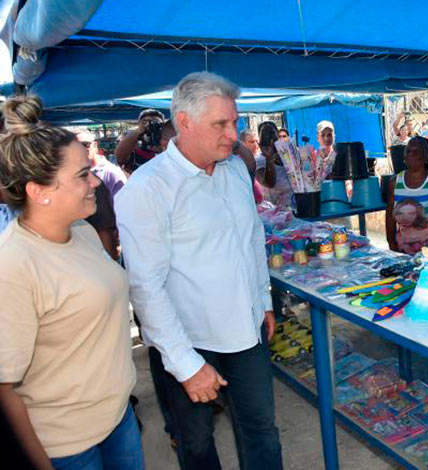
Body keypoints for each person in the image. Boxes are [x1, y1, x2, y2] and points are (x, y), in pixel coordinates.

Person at [115, 72, 282, 470]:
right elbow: (146, 287)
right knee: (196, 442)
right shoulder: (148, 188)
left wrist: (264, 299)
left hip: (246, 330)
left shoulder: (236, 170)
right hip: (188, 342)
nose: (234, 134)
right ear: (185, 123)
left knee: (261, 429)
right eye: (221, 124)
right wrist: (187, 366)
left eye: (236, 121)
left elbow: (251, 242)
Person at [0, 94, 141, 470]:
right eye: (82, 175)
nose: (96, 180)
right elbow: (5, 387)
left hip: (118, 419)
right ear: (39, 192)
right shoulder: (12, 264)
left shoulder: (81, 231)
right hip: (66, 446)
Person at [77, 130, 128, 206]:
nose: (80, 149)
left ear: (94, 145)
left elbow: (124, 207)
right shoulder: (72, 173)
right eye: (75, 146)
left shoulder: (111, 173)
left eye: (85, 144)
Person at [114, 108, 166, 173]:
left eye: (156, 122)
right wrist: (139, 131)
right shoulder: (133, 142)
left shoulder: (166, 142)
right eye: (145, 121)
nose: (150, 124)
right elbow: (120, 158)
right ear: (139, 124)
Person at [256, 121, 293, 209]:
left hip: (294, 207)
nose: (271, 141)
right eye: (266, 137)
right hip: (274, 212)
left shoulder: (287, 157)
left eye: (273, 135)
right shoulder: (259, 161)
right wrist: (269, 158)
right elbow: (269, 183)